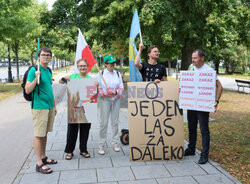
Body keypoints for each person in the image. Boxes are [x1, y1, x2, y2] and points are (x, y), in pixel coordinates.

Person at [184, 49, 223, 164]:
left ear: (202, 58)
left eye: (195, 58)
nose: (193, 60)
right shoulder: (191, 67)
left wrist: (216, 101)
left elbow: (220, 87)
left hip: (202, 105)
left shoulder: (209, 71)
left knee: (204, 130)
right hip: (191, 104)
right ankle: (191, 149)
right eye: (192, 58)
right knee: (191, 127)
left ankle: (204, 155)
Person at [25, 48, 57, 174]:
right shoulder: (34, 70)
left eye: (48, 55)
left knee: (44, 134)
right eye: (43, 55)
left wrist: (54, 106)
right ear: (39, 57)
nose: (46, 57)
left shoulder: (48, 71)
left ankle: (43, 156)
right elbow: (28, 89)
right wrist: (35, 78)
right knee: (39, 135)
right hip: (39, 107)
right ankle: (39, 163)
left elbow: (49, 89)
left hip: (49, 107)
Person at [59, 59, 92, 160]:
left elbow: (94, 94)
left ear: (87, 67)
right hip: (74, 108)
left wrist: (97, 87)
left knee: (85, 129)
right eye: (80, 66)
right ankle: (69, 151)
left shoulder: (90, 79)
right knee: (72, 130)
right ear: (78, 67)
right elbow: (60, 81)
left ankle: (83, 149)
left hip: (86, 108)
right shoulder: (72, 77)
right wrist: (64, 78)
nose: (82, 67)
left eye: (84, 66)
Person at [95, 55, 124, 155]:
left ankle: (115, 142)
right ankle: (101, 144)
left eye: (113, 63)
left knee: (115, 121)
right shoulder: (100, 74)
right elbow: (96, 88)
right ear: (105, 64)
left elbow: (121, 87)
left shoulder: (117, 74)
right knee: (104, 122)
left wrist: (115, 92)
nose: (112, 65)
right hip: (105, 100)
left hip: (116, 100)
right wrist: (104, 93)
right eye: (110, 63)